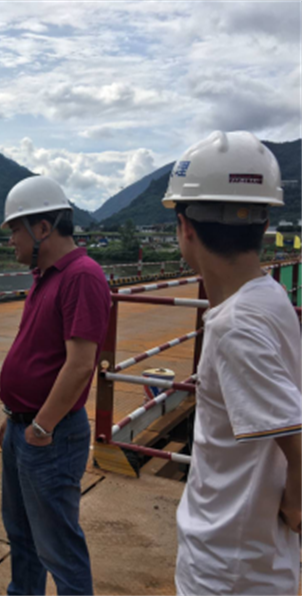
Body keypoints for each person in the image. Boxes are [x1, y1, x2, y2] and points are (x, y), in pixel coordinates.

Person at [164, 131, 302, 595]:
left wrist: (295, 503)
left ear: (185, 226)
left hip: (228, 569)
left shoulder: (235, 325)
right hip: (250, 556)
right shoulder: (270, 296)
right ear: (264, 225)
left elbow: (296, 435)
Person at [0, 176, 111, 596]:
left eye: (15, 229)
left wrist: (41, 426)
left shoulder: (82, 276)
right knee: (22, 535)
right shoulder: (45, 275)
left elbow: (80, 364)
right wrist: (15, 418)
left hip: (51, 435)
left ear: (42, 228)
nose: (11, 240)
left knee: (58, 547)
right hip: (25, 427)